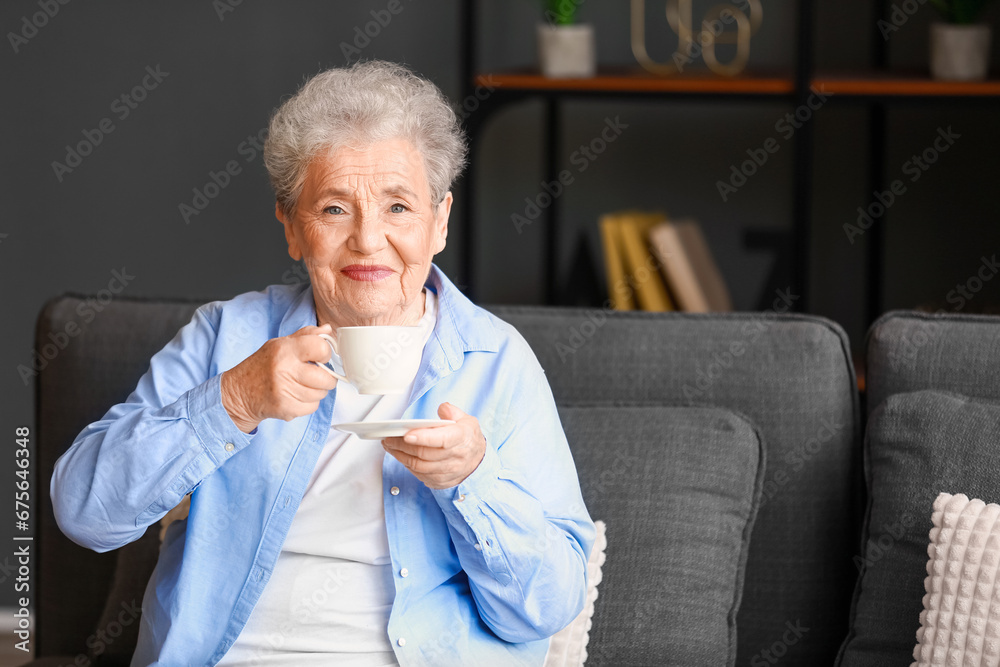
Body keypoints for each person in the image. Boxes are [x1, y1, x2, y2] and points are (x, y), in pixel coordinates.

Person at [51, 60, 595, 667]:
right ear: (291, 227)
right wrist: (232, 402)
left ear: (439, 222)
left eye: (398, 208)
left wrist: (474, 480)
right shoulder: (227, 337)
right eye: (335, 208)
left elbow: (547, 607)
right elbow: (85, 514)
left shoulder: (496, 362)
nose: (367, 239)